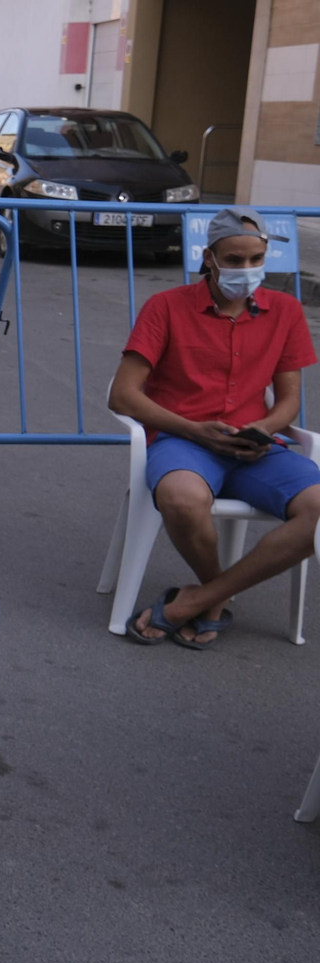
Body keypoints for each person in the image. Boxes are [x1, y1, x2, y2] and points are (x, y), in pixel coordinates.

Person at [111, 207, 320, 648]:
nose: (246, 270)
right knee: (183, 500)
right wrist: (194, 430)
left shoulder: (285, 311)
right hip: (182, 441)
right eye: (234, 260)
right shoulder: (165, 307)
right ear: (209, 258)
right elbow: (124, 395)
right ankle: (214, 599)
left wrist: (263, 428)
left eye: (255, 259)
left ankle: (200, 599)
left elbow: (289, 401)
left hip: (254, 447)